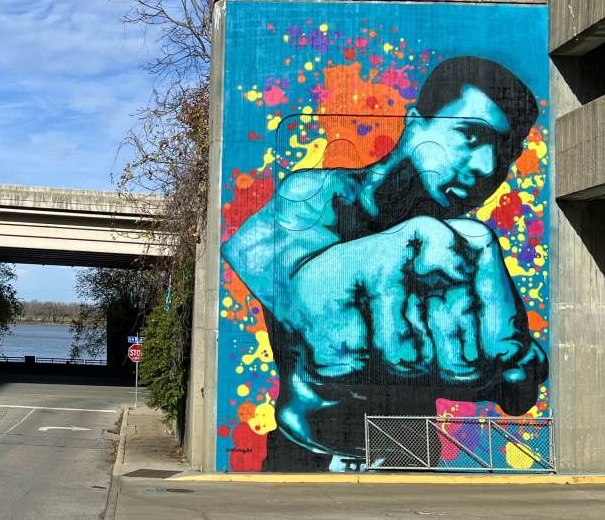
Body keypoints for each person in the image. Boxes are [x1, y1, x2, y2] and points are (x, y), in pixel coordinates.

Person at [221, 56, 548, 471]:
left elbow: (517, 386)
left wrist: (509, 361)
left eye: (505, 153)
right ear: (414, 123)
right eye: (470, 135)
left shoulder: (466, 252)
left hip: (412, 461)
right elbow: (303, 303)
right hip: (309, 461)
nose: (487, 166)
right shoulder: (318, 197)